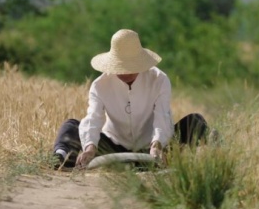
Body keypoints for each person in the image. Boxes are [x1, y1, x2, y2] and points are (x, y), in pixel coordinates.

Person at [52, 29, 209, 169]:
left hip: (154, 148)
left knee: (195, 121)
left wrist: (157, 145)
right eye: (121, 66)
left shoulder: (159, 80)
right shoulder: (99, 85)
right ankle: (61, 158)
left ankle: (207, 154)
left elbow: (163, 116)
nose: (125, 72)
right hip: (113, 146)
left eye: (130, 66)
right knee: (71, 126)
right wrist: (90, 147)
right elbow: (94, 118)